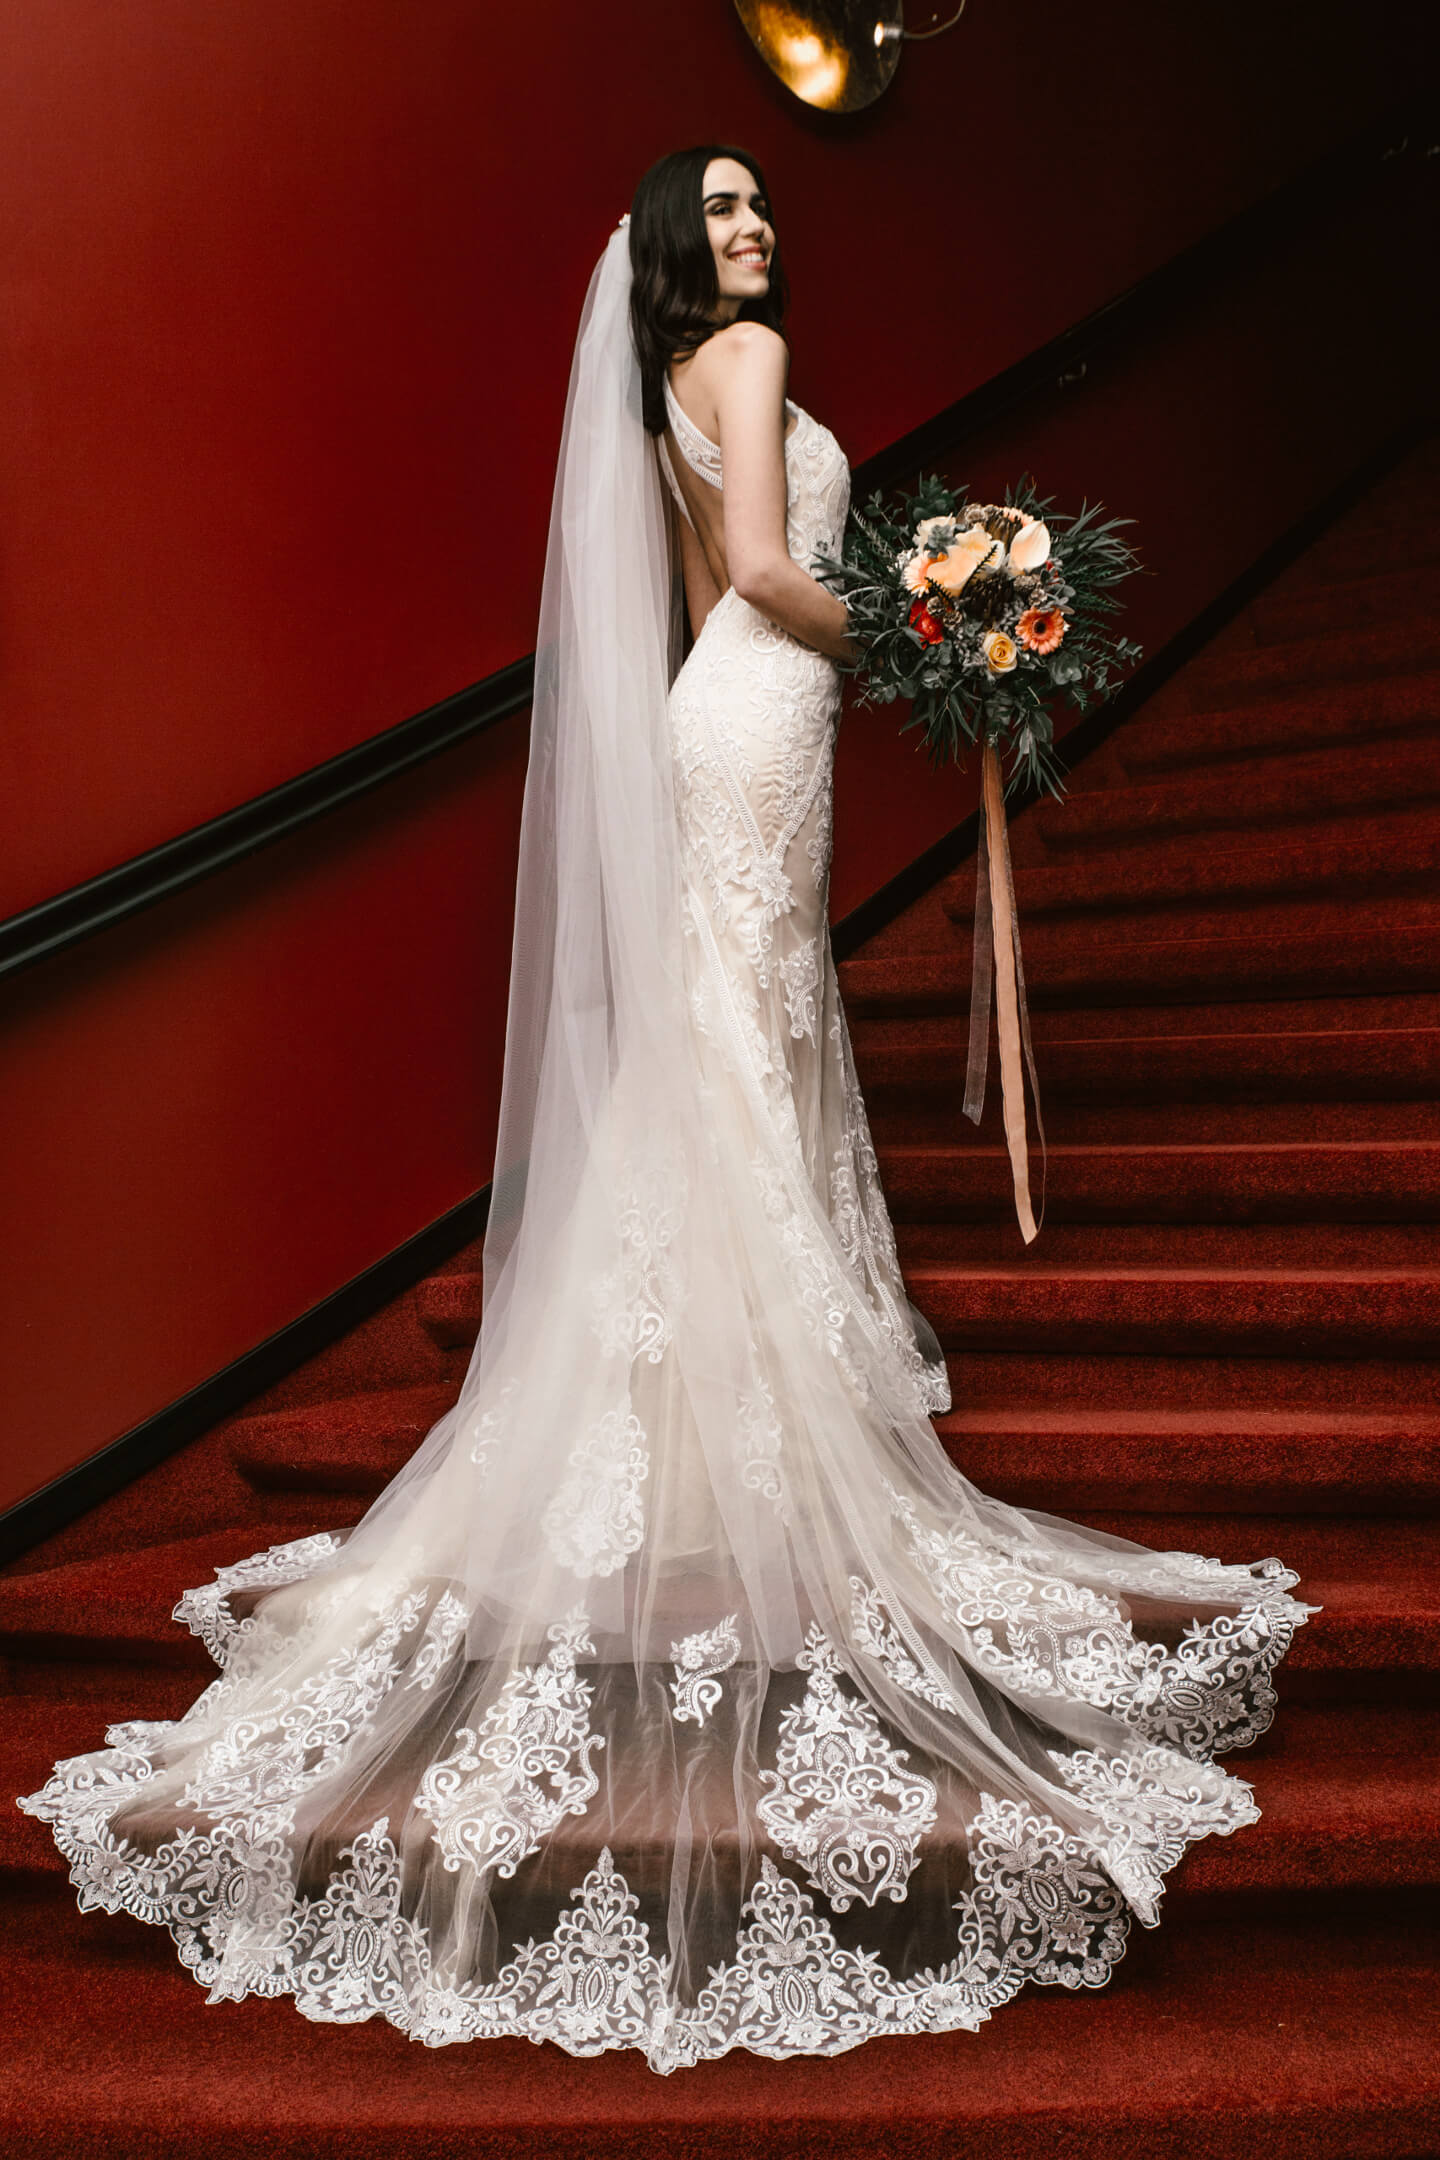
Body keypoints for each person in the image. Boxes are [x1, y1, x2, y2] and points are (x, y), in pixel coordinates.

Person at [19, 144, 1316, 2071]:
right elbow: (780, 577)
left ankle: (690, 1395)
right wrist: (936, 640)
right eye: (715, 211)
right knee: (748, 1022)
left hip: (733, 711)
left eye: (757, 207)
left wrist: (859, 638)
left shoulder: (658, 389)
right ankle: (745, 1395)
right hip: (768, 709)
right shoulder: (755, 351)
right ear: (668, 250)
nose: (751, 230)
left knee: (743, 1024)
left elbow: (718, 586)